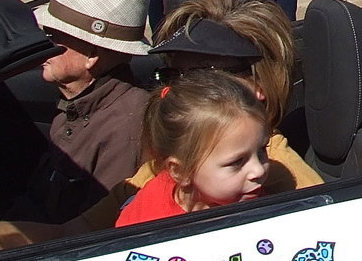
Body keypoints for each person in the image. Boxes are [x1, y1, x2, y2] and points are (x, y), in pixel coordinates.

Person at [0, 0, 322, 253]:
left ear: (255, 89)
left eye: (203, 79)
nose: (174, 91)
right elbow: (72, 237)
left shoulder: (285, 178)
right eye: (172, 75)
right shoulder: (162, 171)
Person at [10, 0, 152, 223]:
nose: (44, 45)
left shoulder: (126, 128)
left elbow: (93, 234)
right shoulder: (73, 105)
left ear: (92, 56)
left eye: (53, 36)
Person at [115, 71, 269, 227]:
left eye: (262, 150)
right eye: (237, 162)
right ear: (180, 172)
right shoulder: (147, 228)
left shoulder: (257, 199)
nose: (258, 170)